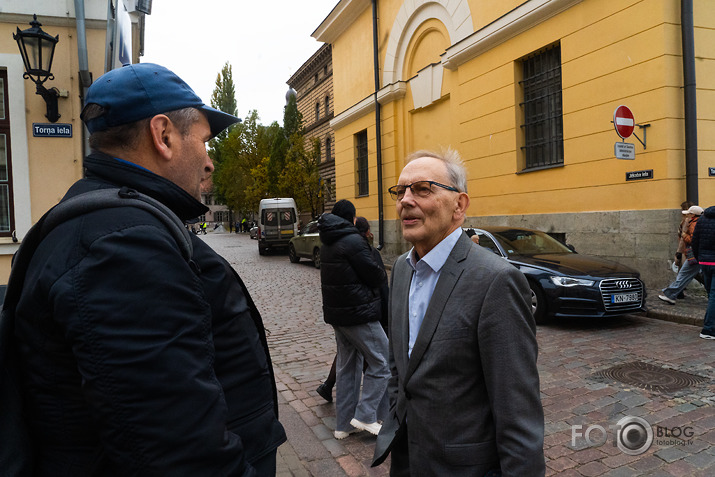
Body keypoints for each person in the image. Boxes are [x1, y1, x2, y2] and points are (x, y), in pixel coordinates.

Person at [12, 63, 286, 475]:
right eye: (204, 141)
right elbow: (179, 455)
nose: (209, 162)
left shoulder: (109, 223)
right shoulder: (123, 246)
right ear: (163, 136)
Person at [372, 149, 545, 476]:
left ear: (459, 205)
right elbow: (400, 370)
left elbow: (518, 416)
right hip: (407, 460)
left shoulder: (496, 281)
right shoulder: (401, 270)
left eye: (423, 189)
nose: (406, 200)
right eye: (400, 191)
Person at [318, 200, 390, 439]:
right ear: (352, 218)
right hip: (358, 313)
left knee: (348, 367)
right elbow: (376, 275)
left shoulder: (328, 240)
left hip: (338, 314)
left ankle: (344, 425)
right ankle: (366, 415)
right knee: (382, 361)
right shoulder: (352, 240)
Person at [659, 205, 704, 305]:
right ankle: (671, 294)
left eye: (688, 213)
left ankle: (670, 294)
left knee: (684, 274)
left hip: (693, 255)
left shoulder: (693, 224)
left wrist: (684, 234)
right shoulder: (698, 222)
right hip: (698, 254)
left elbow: (692, 240)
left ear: (693, 215)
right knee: (692, 275)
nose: (686, 215)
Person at [692, 205, 715, 339]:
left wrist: (699, 258)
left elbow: (695, 241)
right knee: (713, 296)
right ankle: (708, 329)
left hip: (705, 262)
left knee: (711, 294)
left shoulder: (702, 219)